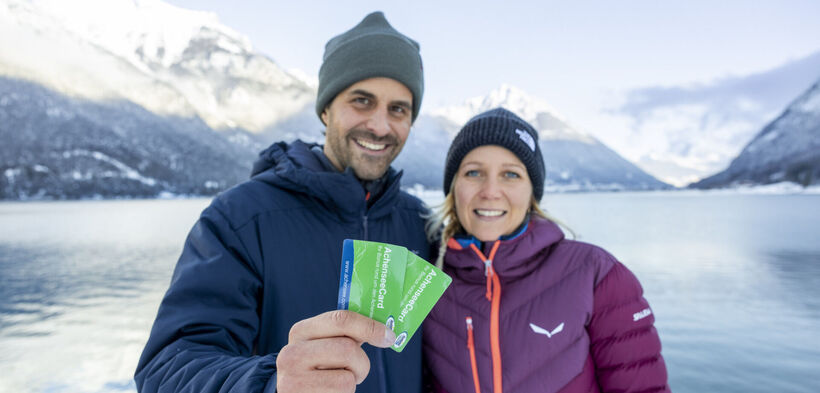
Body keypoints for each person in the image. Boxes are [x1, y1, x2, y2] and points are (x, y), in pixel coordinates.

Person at [135, 12, 430, 393]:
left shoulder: (421, 224)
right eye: (361, 101)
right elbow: (166, 370)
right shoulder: (241, 218)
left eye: (398, 109)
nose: (379, 125)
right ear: (326, 109)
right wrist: (270, 383)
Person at [423, 108, 670, 393]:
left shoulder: (594, 274)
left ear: (532, 193)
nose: (490, 191)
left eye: (511, 175)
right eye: (474, 172)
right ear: (454, 188)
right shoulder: (428, 281)